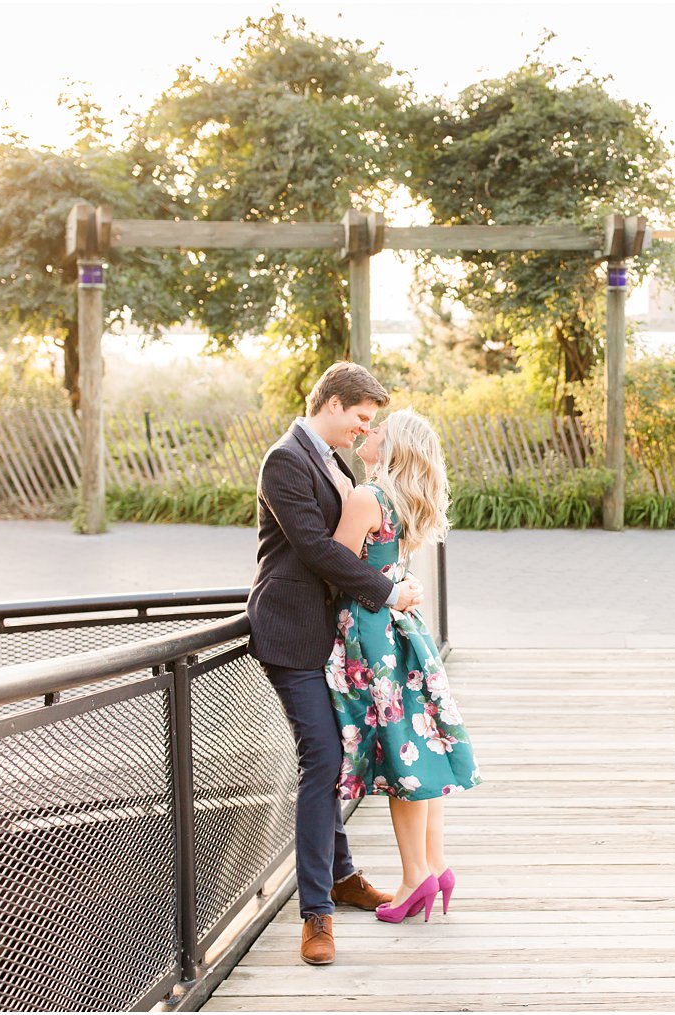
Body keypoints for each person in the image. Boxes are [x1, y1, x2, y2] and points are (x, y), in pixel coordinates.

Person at [247, 362, 425, 966]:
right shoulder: (284, 460)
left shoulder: (329, 457)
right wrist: (388, 592)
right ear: (332, 403)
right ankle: (316, 913)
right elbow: (319, 550)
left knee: (335, 755)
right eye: (361, 419)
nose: (362, 431)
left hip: (328, 636)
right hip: (290, 633)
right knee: (322, 758)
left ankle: (342, 876)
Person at [327, 408, 480, 925]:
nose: (368, 434)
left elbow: (337, 569)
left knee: (400, 759)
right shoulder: (404, 499)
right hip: (402, 632)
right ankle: (433, 865)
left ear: (392, 449)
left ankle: (416, 874)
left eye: (380, 431)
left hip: (373, 635)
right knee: (420, 746)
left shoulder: (367, 497)